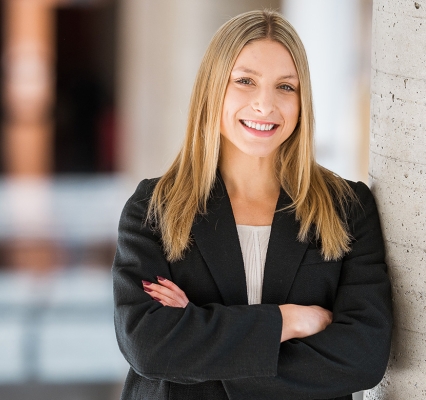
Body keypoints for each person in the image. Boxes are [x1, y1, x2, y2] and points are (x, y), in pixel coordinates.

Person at [113, 9, 392, 400]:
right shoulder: (155, 207)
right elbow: (149, 345)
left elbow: (363, 356)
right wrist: (290, 320)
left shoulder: (347, 208)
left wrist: (199, 336)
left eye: (285, 87)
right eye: (245, 81)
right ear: (214, 88)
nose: (265, 105)